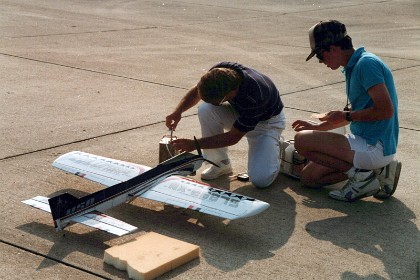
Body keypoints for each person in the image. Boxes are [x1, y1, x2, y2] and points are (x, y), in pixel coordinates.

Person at [292, 20, 401, 202]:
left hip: (374, 146)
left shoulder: (366, 65)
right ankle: (377, 172)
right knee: (308, 178)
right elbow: (360, 111)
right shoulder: (354, 65)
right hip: (365, 144)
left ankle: (362, 177)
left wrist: (345, 115)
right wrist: (318, 126)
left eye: (320, 55)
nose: (320, 61)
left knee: (301, 141)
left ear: (333, 49)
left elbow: (385, 110)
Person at [166, 62, 286, 188]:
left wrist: (194, 144)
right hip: (241, 113)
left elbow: (233, 137)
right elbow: (198, 90)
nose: (213, 103)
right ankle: (220, 163)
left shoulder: (257, 95)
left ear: (231, 93)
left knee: (261, 181)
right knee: (206, 109)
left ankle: (274, 148)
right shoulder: (219, 72)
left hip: (267, 124)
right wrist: (178, 111)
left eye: (216, 102)